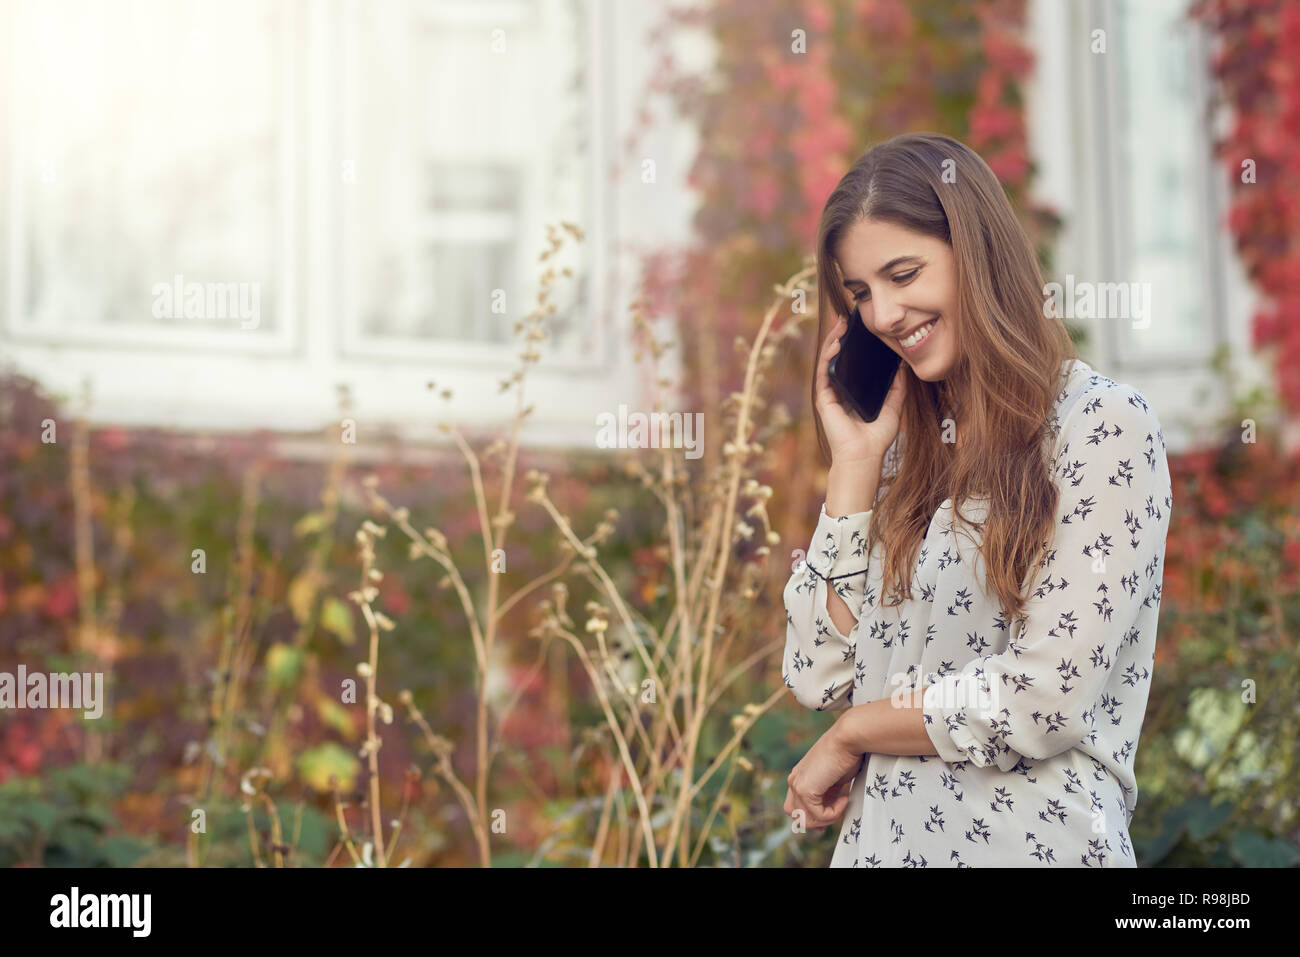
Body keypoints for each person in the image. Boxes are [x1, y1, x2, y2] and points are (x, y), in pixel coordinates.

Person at [781, 132, 1173, 867]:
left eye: (904, 273)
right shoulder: (901, 453)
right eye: (861, 293)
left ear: (977, 251)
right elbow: (816, 671)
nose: (885, 314)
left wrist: (855, 733)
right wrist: (855, 466)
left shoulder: (1101, 425)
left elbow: (1045, 696)